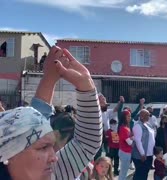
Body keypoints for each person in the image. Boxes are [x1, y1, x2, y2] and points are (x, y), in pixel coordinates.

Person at [0, 46, 102, 180]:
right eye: (43, 148)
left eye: (51, 146)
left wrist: (85, 85)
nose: (54, 157)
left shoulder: (50, 174)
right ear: (9, 155)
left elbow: (86, 143)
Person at [132, 109, 156, 180]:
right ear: (141, 116)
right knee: (140, 174)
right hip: (141, 155)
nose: (149, 117)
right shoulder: (138, 126)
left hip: (149, 154)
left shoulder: (148, 124)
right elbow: (138, 141)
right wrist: (142, 153)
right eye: (147, 115)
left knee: (145, 172)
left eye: (149, 115)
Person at [118, 110, 134, 180]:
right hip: (125, 152)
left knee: (124, 172)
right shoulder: (123, 128)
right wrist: (134, 138)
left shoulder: (126, 127)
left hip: (126, 152)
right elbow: (130, 142)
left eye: (130, 116)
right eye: (128, 116)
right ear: (124, 117)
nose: (130, 118)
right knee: (123, 173)